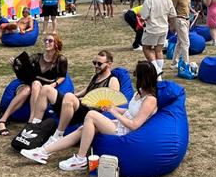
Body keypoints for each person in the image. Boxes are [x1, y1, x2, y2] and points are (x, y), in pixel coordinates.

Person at [20, 60, 158, 171]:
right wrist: (112, 108)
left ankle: (80, 159)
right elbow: (129, 112)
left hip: (125, 131)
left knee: (91, 115)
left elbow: (134, 125)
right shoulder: (139, 92)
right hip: (120, 124)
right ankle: (43, 152)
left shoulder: (150, 100)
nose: (134, 76)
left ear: (142, 77)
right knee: (82, 129)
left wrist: (114, 112)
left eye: (136, 73)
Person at [26, 50, 121, 147]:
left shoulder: (112, 80)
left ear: (109, 64)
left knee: (69, 97)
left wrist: (85, 101)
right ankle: (34, 126)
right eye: (94, 63)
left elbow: (111, 105)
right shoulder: (95, 76)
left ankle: (58, 135)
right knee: (46, 89)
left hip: (89, 112)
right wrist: (71, 96)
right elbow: (86, 91)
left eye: (99, 64)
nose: (96, 66)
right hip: (79, 106)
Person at [0, 33, 69, 136]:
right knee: (28, 88)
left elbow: (62, 76)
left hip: (45, 87)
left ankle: (31, 120)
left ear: (56, 44)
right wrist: (16, 66)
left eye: (50, 40)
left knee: (36, 84)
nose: (47, 42)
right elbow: (25, 71)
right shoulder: (36, 57)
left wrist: (54, 84)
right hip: (29, 83)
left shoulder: (61, 60)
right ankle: (2, 121)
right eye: (45, 40)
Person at [140, 0, 176, 80]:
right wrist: (172, 27)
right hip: (164, 28)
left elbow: (144, 16)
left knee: (146, 48)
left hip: (152, 28)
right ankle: (158, 77)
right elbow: (173, 15)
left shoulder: (149, 0)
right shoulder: (168, 0)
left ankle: (156, 69)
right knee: (159, 50)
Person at [171, 0, 197, 68]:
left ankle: (175, 62)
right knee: (186, 43)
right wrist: (172, 24)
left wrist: (193, 11)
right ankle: (186, 64)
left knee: (180, 42)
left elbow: (188, 6)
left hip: (187, 20)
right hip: (179, 20)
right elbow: (171, 11)